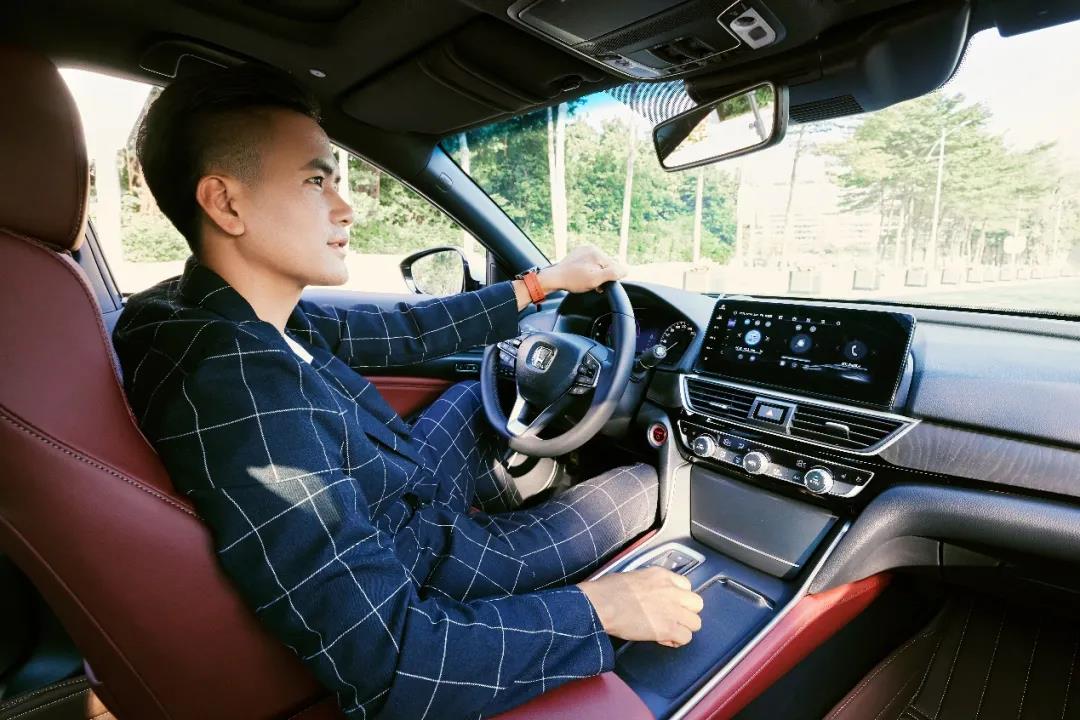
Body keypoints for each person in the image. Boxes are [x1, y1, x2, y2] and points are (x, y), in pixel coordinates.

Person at [112, 64, 703, 719]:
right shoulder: (240, 387)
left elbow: (403, 331)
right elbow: (390, 659)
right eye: (315, 180)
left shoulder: (210, 309)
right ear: (226, 204)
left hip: (389, 493)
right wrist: (599, 609)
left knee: (470, 397)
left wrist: (543, 284)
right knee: (642, 485)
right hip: (429, 561)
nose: (346, 207)